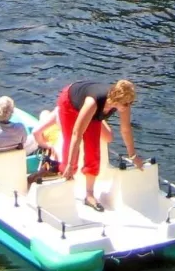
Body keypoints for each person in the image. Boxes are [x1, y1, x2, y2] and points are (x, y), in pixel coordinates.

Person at [58, 79, 143, 210]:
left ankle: (89, 195)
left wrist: (133, 155)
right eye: (127, 103)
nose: (129, 106)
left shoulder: (123, 105)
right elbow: (77, 134)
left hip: (95, 114)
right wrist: (70, 164)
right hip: (70, 103)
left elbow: (125, 129)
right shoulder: (93, 102)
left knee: (93, 148)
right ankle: (66, 179)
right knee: (71, 143)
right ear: (118, 100)